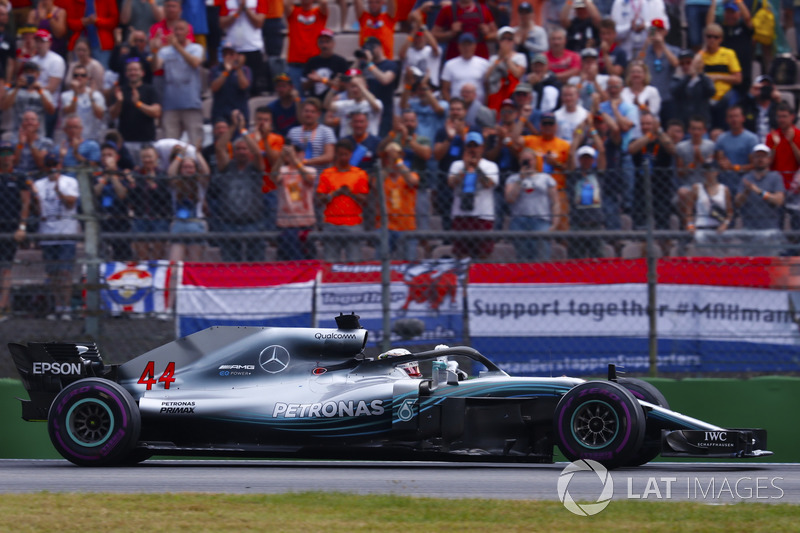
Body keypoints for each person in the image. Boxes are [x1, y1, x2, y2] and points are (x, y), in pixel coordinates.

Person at [210, 113, 266, 262]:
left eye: (244, 149)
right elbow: (220, 148)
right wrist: (233, 127)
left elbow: (257, 152)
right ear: (234, 151)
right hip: (229, 223)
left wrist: (243, 131)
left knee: (256, 263)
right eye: (238, 149)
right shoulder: (227, 166)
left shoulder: (255, 168)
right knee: (230, 262)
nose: (241, 151)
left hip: (253, 222)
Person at [32, 153, 80, 320]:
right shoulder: (38, 184)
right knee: (52, 273)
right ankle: (57, 306)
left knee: (65, 272)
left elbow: (71, 202)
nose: (53, 168)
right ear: (46, 167)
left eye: (56, 164)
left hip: (66, 232)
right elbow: (37, 210)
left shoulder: (70, 182)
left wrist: (59, 190)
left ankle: (66, 307)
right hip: (47, 233)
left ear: (60, 165)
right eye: (50, 165)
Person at [150, 19, 204, 149]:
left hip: (191, 103)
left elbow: (195, 63)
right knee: (170, 143)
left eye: (181, 29)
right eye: (176, 30)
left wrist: (177, 47)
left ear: (187, 32)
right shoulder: (165, 51)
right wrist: (154, 51)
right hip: (170, 104)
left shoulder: (196, 48)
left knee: (196, 141)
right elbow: (155, 67)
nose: (178, 32)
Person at [316, 139, 370, 262]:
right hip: (331, 223)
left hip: (353, 223)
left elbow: (365, 199)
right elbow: (319, 199)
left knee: (354, 261)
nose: (343, 157)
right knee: (330, 261)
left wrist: (350, 194)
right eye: (340, 154)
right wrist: (334, 194)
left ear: (351, 154)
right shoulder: (327, 174)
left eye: (345, 154)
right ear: (335, 154)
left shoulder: (359, 174)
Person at [447, 131, 499, 259]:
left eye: (475, 146)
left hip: (483, 216)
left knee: (483, 255)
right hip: (461, 215)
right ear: (465, 148)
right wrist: (465, 168)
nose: (472, 149)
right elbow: (451, 183)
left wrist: (477, 168)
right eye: (469, 146)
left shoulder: (490, 166)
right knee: (461, 255)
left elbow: (489, 184)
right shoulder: (456, 165)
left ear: (482, 148)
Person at [515, 112, 571, 230]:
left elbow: (571, 169)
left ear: (556, 126)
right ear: (540, 125)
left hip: (558, 190)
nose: (548, 127)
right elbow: (514, 139)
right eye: (545, 124)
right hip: (537, 191)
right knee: (539, 229)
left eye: (551, 124)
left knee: (562, 229)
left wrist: (556, 164)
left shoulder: (564, 145)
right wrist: (522, 118)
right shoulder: (532, 140)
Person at [505, 147, 559, 260]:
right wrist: (520, 179)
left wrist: (555, 223)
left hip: (541, 220)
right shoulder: (512, 179)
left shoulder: (546, 178)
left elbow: (555, 201)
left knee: (542, 256)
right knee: (522, 257)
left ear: (535, 161)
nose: (527, 163)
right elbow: (510, 199)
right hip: (519, 221)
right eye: (524, 160)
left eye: (529, 160)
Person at [734, 144, 785, 255]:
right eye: (757, 156)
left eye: (763, 156)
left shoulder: (775, 177)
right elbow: (737, 202)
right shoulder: (746, 178)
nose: (760, 159)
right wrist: (746, 192)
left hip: (770, 229)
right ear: (753, 159)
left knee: (771, 263)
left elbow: (779, 200)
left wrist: (759, 192)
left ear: (769, 159)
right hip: (749, 229)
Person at [108, 59, 161, 164]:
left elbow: (156, 112)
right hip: (126, 142)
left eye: (136, 70)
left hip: (146, 142)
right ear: (126, 73)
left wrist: (138, 103)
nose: (133, 72)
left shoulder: (150, 90)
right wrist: (119, 102)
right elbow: (112, 115)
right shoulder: (120, 90)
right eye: (130, 70)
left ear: (142, 72)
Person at [0, 141, 30, 321]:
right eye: (2, 153)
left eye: (8, 153)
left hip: (11, 227)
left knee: (6, 268)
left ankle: (2, 306)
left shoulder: (19, 177)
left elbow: (25, 203)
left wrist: (22, 226)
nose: (5, 156)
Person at [128, 144, 172, 261]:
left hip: (159, 217)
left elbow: (166, 198)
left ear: (156, 157)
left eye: (149, 156)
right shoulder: (136, 175)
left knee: (158, 255)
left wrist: (154, 186)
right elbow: (131, 200)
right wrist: (132, 186)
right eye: (144, 157)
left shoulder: (163, 175)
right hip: (140, 217)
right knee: (142, 255)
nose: (147, 160)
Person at [166, 147, 210, 262]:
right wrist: (180, 156)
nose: (188, 169)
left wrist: (198, 154)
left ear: (195, 169)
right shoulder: (176, 184)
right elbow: (170, 173)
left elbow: (206, 172)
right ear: (180, 169)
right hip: (179, 224)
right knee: (174, 263)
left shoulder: (200, 184)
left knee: (194, 263)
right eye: (185, 167)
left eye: (191, 167)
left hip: (196, 225)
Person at [275, 144, 317, 260]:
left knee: (307, 256)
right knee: (285, 257)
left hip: (305, 220)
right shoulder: (282, 170)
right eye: (292, 154)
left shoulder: (310, 169)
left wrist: (295, 160)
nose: (295, 156)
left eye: (298, 153)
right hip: (286, 221)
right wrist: (281, 158)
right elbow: (273, 178)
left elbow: (309, 178)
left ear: (303, 154)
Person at [379, 142, 420, 260]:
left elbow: (412, 181)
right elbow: (376, 185)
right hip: (386, 226)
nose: (391, 159)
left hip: (406, 227)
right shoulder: (380, 175)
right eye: (388, 157)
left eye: (395, 156)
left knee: (408, 263)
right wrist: (389, 166)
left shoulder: (410, 174)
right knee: (381, 263)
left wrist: (398, 162)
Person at [219, 0, 267, 97]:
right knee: (232, 87)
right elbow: (222, 24)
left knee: (254, 88)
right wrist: (238, 12)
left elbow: (259, 23)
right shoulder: (227, 1)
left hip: (253, 48)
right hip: (232, 50)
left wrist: (245, 8)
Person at [566, 144, 607, 258]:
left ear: (593, 159)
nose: (586, 160)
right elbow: (570, 154)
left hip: (595, 221)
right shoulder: (574, 175)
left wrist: (592, 130)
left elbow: (602, 151)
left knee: (598, 256)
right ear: (579, 159)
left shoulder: (598, 174)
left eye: (589, 158)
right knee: (576, 257)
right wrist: (579, 134)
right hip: (577, 222)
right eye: (583, 158)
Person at [96, 141, 133, 261]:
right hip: (101, 221)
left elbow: (122, 194)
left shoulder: (124, 174)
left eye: (109, 155)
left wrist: (113, 175)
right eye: (104, 155)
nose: (106, 158)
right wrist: (105, 176)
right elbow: (94, 193)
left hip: (120, 221)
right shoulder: (97, 174)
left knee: (122, 258)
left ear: (116, 157)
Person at [687, 161, 735, 256]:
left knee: (720, 257)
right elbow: (688, 209)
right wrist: (690, 225)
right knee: (704, 256)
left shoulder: (724, 189)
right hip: (701, 227)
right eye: (706, 170)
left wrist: (725, 224)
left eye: (711, 170)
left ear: (716, 172)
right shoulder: (697, 188)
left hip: (718, 227)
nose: (708, 173)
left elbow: (730, 212)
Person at [700, 23, 742, 130]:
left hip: (725, 98)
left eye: (716, 37)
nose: (712, 40)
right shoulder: (700, 56)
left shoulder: (729, 54)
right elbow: (693, 73)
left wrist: (718, 77)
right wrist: (702, 51)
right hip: (706, 98)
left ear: (721, 39)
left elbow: (738, 78)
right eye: (709, 36)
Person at [250, 106, 285, 231]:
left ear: (270, 122)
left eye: (265, 120)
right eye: (259, 119)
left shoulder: (277, 139)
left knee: (271, 227)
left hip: (271, 188)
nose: (262, 123)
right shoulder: (249, 139)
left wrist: (264, 140)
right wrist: (256, 139)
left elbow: (274, 160)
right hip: (252, 190)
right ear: (254, 120)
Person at [676, 116, 716, 222]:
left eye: (699, 129)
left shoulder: (711, 146)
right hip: (688, 185)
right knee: (682, 192)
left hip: (706, 185)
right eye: (693, 129)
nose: (696, 132)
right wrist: (692, 164)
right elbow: (679, 172)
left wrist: (700, 159)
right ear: (689, 130)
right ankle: (687, 225)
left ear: (704, 131)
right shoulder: (681, 147)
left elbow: (712, 170)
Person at [284, 0, 328, 92]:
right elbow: (285, 4)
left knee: (316, 96)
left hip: (315, 64)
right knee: (297, 98)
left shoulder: (318, 13)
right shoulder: (294, 12)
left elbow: (324, 3)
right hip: (296, 64)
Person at [324, 71, 383, 138]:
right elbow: (327, 105)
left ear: (365, 87)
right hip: (347, 145)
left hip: (368, 144)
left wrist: (361, 86)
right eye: (352, 86)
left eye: (357, 86)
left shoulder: (376, 103)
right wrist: (334, 87)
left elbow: (376, 107)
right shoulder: (345, 104)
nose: (355, 89)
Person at [1, 62, 55, 135]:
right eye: (27, 72)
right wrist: (17, 87)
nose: (29, 74)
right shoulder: (15, 90)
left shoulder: (44, 92)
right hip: (17, 133)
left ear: (38, 75)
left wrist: (39, 91)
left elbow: (51, 111)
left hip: (37, 134)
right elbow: (4, 106)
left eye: (32, 72)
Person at [432, 0, 497, 61]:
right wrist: (451, 33)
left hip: (480, 61)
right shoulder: (447, 10)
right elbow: (433, 35)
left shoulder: (484, 10)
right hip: (455, 60)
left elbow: (497, 35)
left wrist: (487, 34)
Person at [360, 37, 399, 138]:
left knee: (380, 141)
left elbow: (385, 80)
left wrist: (370, 63)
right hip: (366, 109)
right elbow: (348, 77)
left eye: (371, 48)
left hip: (384, 111)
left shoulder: (391, 65)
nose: (368, 51)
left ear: (379, 48)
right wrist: (359, 60)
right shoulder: (363, 65)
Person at [714, 104, 759, 191]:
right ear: (727, 120)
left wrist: (734, 167)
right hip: (724, 184)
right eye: (731, 117)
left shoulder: (752, 139)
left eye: (736, 116)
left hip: (744, 184)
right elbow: (719, 160)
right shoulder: (721, 138)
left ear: (743, 118)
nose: (734, 119)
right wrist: (722, 163)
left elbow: (754, 165)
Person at [286, 98, 337, 174]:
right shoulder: (292, 132)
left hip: (320, 179)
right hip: (297, 179)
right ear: (302, 112)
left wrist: (306, 162)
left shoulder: (327, 131)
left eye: (312, 112)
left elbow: (329, 156)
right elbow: (286, 156)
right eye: (306, 111)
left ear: (318, 114)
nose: (309, 114)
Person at [62, 0, 119, 67]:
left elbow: (114, 21)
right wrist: (83, 22)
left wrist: (97, 21)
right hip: (79, 44)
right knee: (77, 71)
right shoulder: (75, 1)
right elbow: (69, 23)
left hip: (101, 46)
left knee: (102, 72)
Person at [59, 63, 106, 143]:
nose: (79, 77)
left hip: (92, 138)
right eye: (76, 75)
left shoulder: (97, 95)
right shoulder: (65, 95)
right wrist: (76, 94)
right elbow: (69, 112)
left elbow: (100, 115)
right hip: (72, 138)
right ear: (72, 77)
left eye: (82, 75)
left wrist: (91, 98)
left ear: (87, 78)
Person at [670, 49, 716, 129]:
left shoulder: (703, 79)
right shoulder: (676, 79)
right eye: (682, 63)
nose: (685, 66)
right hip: (683, 126)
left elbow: (711, 91)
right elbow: (674, 92)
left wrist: (700, 73)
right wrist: (688, 77)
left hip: (701, 126)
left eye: (688, 62)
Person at [485, 26, 527, 111]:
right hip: (496, 93)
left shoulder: (520, 57)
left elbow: (518, 74)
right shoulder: (493, 58)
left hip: (512, 94)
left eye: (509, 39)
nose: (506, 41)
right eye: (503, 38)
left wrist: (507, 58)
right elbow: (487, 77)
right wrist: (498, 60)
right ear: (498, 41)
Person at [209, 42, 252, 124]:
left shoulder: (245, 69)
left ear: (237, 56)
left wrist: (238, 68)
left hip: (240, 112)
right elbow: (214, 88)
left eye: (231, 54)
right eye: (225, 54)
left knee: (241, 136)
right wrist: (226, 72)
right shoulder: (215, 69)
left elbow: (244, 86)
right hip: (220, 114)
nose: (228, 57)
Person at [440, 32, 491, 102]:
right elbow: (445, 90)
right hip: (457, 108)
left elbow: (488, 88)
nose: (466, 48)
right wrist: (452, 106)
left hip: (478, 107)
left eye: (469, 45)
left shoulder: (484, 64)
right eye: (464, 45)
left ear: (475, 46)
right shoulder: (449, 65)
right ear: (459, 46)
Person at [303, 28, 349, 102]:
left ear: (333, 43)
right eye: (321, 42)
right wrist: (312, 81)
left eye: (327, 42)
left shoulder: (341, 61)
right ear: (318, 44)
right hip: (315, 103)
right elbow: (304, 86)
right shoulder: (312, 61)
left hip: (333, 103)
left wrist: (321, 80)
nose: (324, 45)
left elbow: (344, 87)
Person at [742, 75, 780, 142]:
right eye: (762, 87)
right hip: (753, 144)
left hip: (773, 144)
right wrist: (750, 95)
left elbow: (791, 120)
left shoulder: (777, 106)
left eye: (767, 87)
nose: (765, 90)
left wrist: (779, 101)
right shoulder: (748, 105)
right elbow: (735, 111)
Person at [268, 74, 300, 138]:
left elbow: (303, 121)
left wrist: (297, 100)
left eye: (283, 86)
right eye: (278, 86)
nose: (281, 89)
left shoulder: (300, 102)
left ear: (291, 87)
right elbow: (271, 129)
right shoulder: (271, 107)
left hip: (299, 138)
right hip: (280, 139)